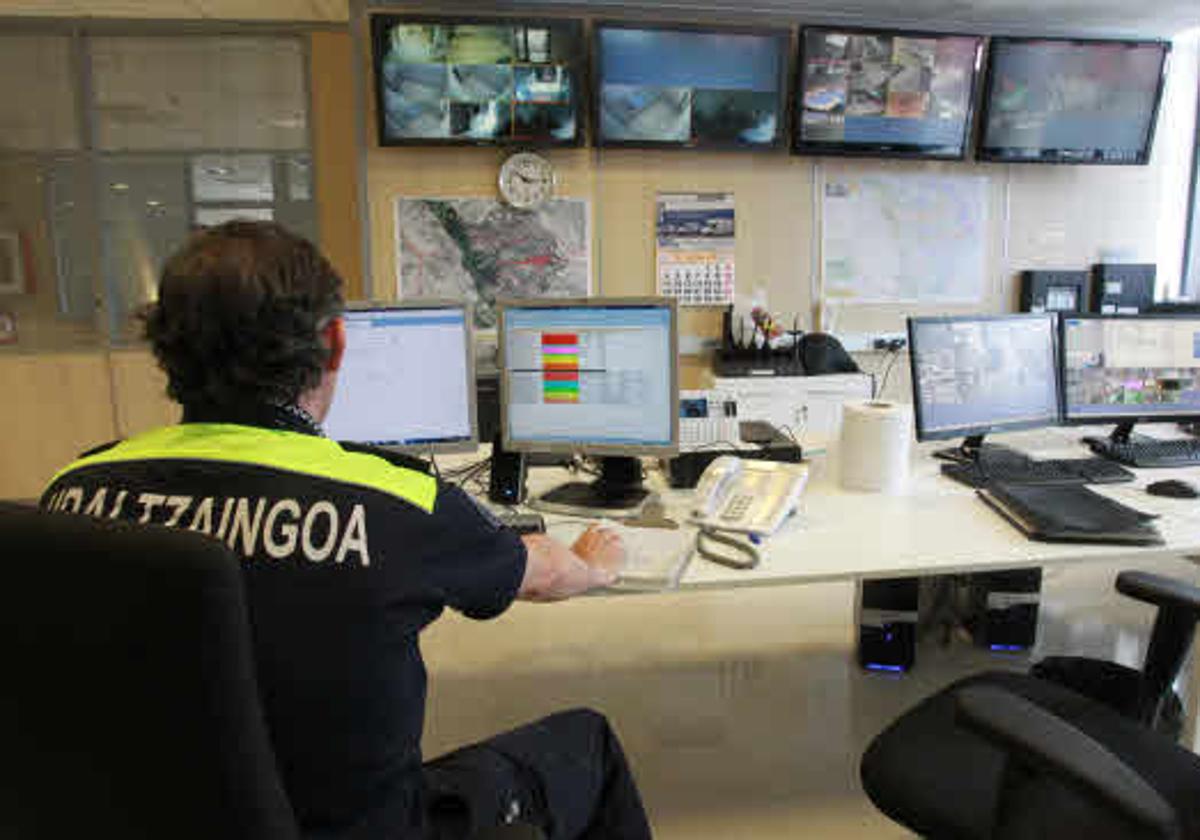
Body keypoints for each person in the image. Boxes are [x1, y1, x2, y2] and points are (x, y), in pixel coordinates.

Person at [41, 221, 653, 840]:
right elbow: (543, 574)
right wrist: (594, 565)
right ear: (334, 343)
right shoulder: (396, 499)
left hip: (146, 820)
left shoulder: (70, 494)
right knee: (587, 743)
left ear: (166, 350)